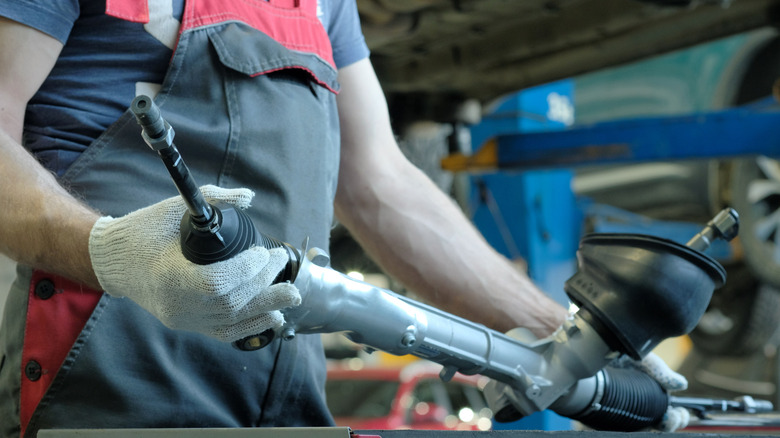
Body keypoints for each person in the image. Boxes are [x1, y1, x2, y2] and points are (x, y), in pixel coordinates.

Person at [0, 1, 681, 437]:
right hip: (108, 389)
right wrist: (114, 251)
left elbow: (382, 187)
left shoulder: (326, 3)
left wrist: (556, 333)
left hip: (284, 401)